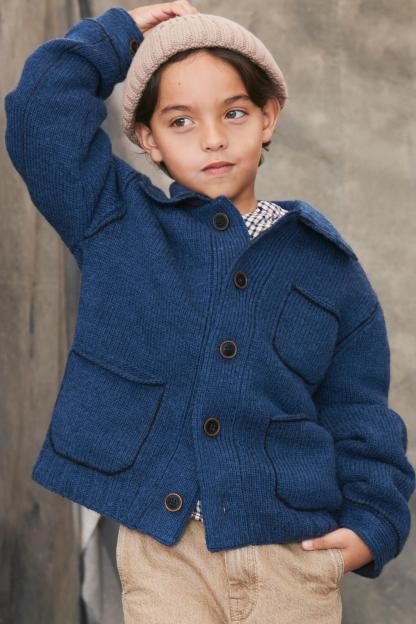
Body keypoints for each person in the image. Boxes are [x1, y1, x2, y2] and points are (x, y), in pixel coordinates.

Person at [4, 2, 415, 622]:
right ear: (147, 139)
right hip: (167, 558)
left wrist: (374, 523)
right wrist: (118, 34)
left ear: (268, 116)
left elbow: (358, 410)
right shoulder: (116, 220)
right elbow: (40, 116)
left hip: (293, 557)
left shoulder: (329, 268)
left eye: (234, 112)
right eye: (180, 121)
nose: (213, 138)